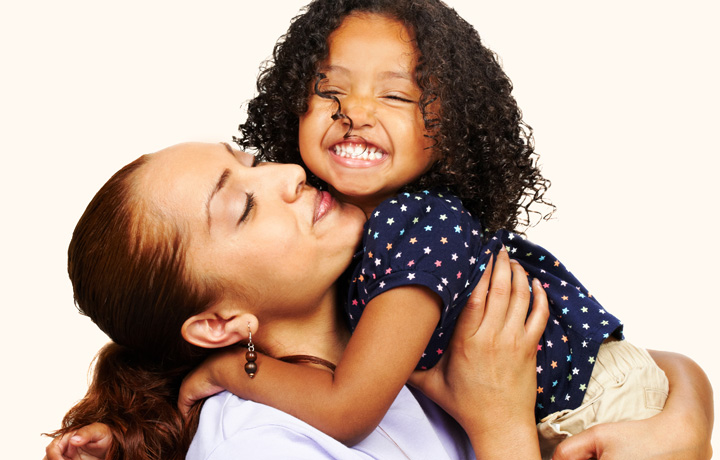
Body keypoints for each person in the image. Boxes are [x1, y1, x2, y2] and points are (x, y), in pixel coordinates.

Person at [174, 1, 673, 457]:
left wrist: (230, 369)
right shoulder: (338, 239)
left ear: (452, 127)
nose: (357, 114)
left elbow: (346, 410)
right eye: (330, 90)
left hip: (597, 405)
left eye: (396, 95)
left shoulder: (418, 223)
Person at [45, 141, 551, 460]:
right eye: (243, 207)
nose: (286, 173)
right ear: (219, 323)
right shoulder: (256, 446)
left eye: (252, 161)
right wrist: (501, 428)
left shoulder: (403, 322)